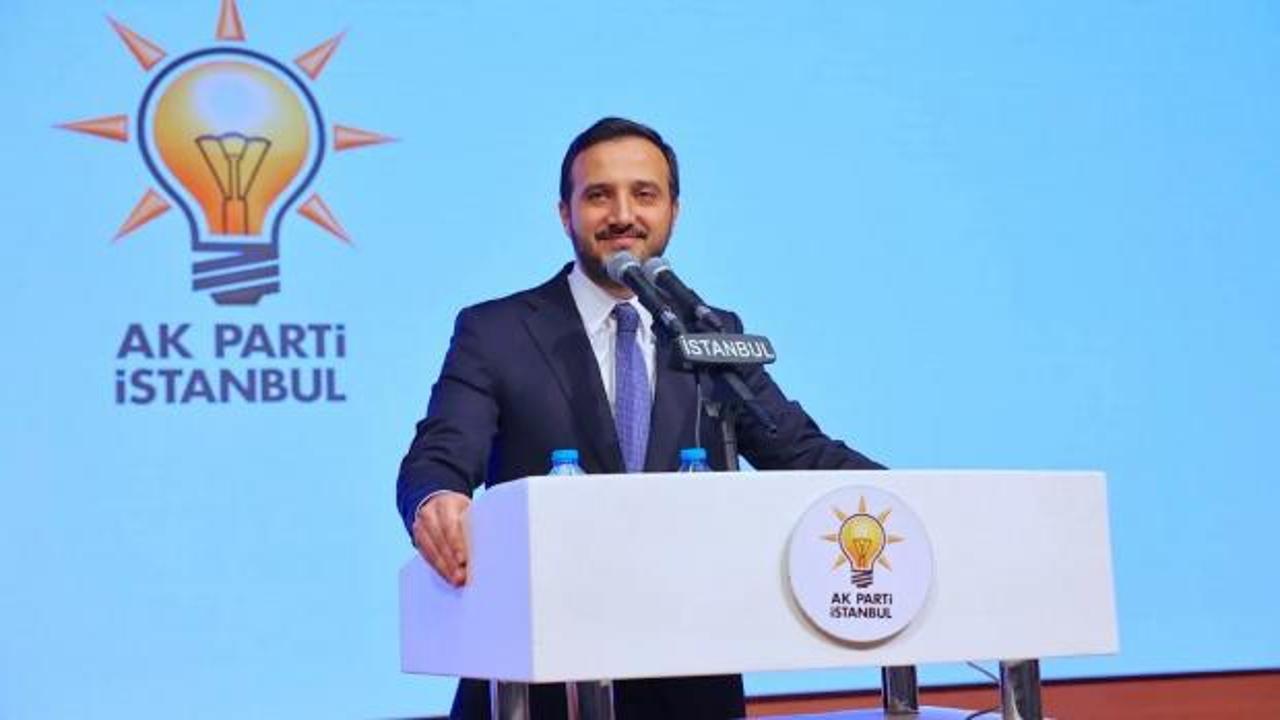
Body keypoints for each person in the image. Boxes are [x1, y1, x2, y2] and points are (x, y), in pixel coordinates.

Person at [397, 117, 882, 719]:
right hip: (539, 681)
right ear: (565, 213)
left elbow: (801, 452)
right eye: (599, 195)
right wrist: (436, 498)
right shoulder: (497, 331)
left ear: (674, 210)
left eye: (644, 194)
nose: (622, 215)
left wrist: (915, 503)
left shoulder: (711, 333)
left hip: (688, 681)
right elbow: (440, 454)